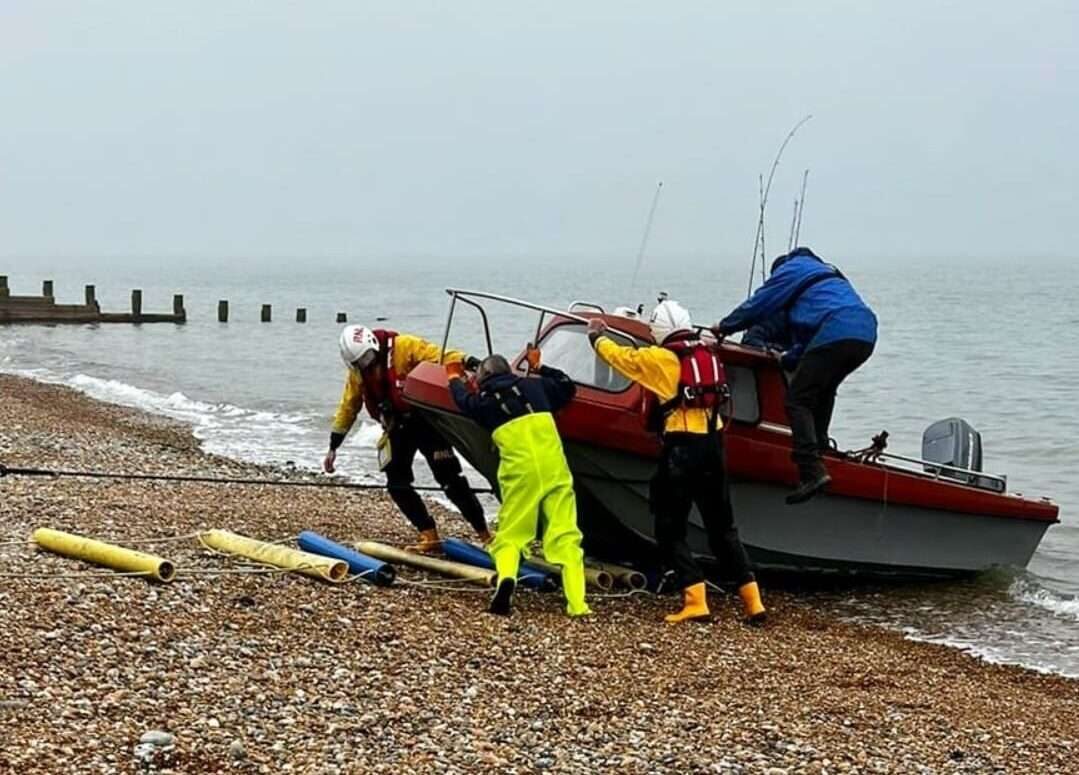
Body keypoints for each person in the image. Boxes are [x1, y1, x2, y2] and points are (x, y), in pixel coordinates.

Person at [587, 300, 766, 625]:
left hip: (682, 449)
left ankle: (695, 599)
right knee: (723, 528)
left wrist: (597, 336)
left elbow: (621, 358)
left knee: (669, 527)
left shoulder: (661, 359)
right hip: (714, 444)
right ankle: (753, 601)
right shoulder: (708, 353)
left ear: (658, 330)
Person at [713, 247, 877, 505]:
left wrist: (725, 326)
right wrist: (789, 358)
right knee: (824, 389)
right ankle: (821, 447)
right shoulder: (827, 275)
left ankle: (811, 470)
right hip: (865, 334)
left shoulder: (791, 268)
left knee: (797, 400)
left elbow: (760, 303)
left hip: (836, 331)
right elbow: (811, 340)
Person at [447, 351, 591, 618]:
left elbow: (462, 400)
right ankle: (578, 604)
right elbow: (566, 386)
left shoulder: (483, 404)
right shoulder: (537, 386)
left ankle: (506, 580)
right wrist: (539, 366)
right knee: (566, 535)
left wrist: (454, 377)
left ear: (482, 379)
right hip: (554, 469)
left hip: (520, 474)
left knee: (511, 535)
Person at [325, 325, 490, 552]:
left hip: (426, 422)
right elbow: (348, 406)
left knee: (451, 479)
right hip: (397, 426)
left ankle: (485, 534)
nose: (365, 364)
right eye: (359, 363)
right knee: (396, 483)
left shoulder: (404, 347)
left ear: (373, 346)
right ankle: (428, 534)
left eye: (367, 358)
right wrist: (334, 445)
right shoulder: (358, 374)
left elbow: (438, 355)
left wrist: (468, 361)